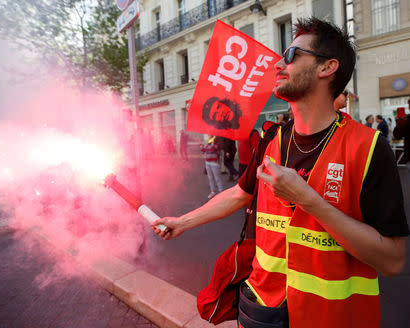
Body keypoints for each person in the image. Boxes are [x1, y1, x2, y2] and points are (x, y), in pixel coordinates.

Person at [152, 17, 408, 328]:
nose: (277, 64)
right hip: (260, 309)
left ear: (327, 68)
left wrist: (309, 201)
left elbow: (393, 261)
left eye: (291, 55)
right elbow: (238, 194)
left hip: (330, 318)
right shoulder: (271, 139)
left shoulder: (369, 148)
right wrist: (182, 222)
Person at [393, 100, 410, 171]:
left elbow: (397, 135)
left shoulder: (407, 120)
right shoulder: (407, 119)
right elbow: (398, 135)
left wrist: (399, 123)